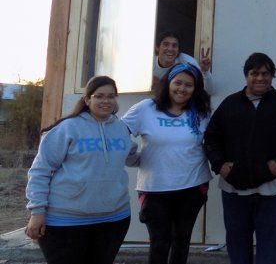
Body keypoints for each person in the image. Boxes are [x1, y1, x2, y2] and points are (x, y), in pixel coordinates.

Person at [25, 75, 136, 264]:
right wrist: (37, 212)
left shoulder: (120, 128)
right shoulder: (67, 128)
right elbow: (40, 170)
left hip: (113, 219)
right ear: (87, 99)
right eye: (99, 96)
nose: (105, 101)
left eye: (111, 96)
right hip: (65, 221)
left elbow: (132, 156)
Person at [204, 52, 276, 264]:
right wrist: (220, 165)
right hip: (234, 189)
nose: (260, 78)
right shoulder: (230, 104)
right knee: (237, 244)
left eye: (265, 73)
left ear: (272, 76)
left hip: (274, 189)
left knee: (271, 245)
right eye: (254, 73)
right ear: (246, 76)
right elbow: (211, 137)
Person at [122, 63, 213, 264]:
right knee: (160, 242)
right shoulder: (146, 108)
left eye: (189, 85)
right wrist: (132, 157)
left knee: (181, 241)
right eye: (178, 82)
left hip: (193, 186)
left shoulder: (202, 112)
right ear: (168, 83)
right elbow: (118, 133)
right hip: (155, 188)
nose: (182, 88)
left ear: (195, 88)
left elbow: (214, 142)